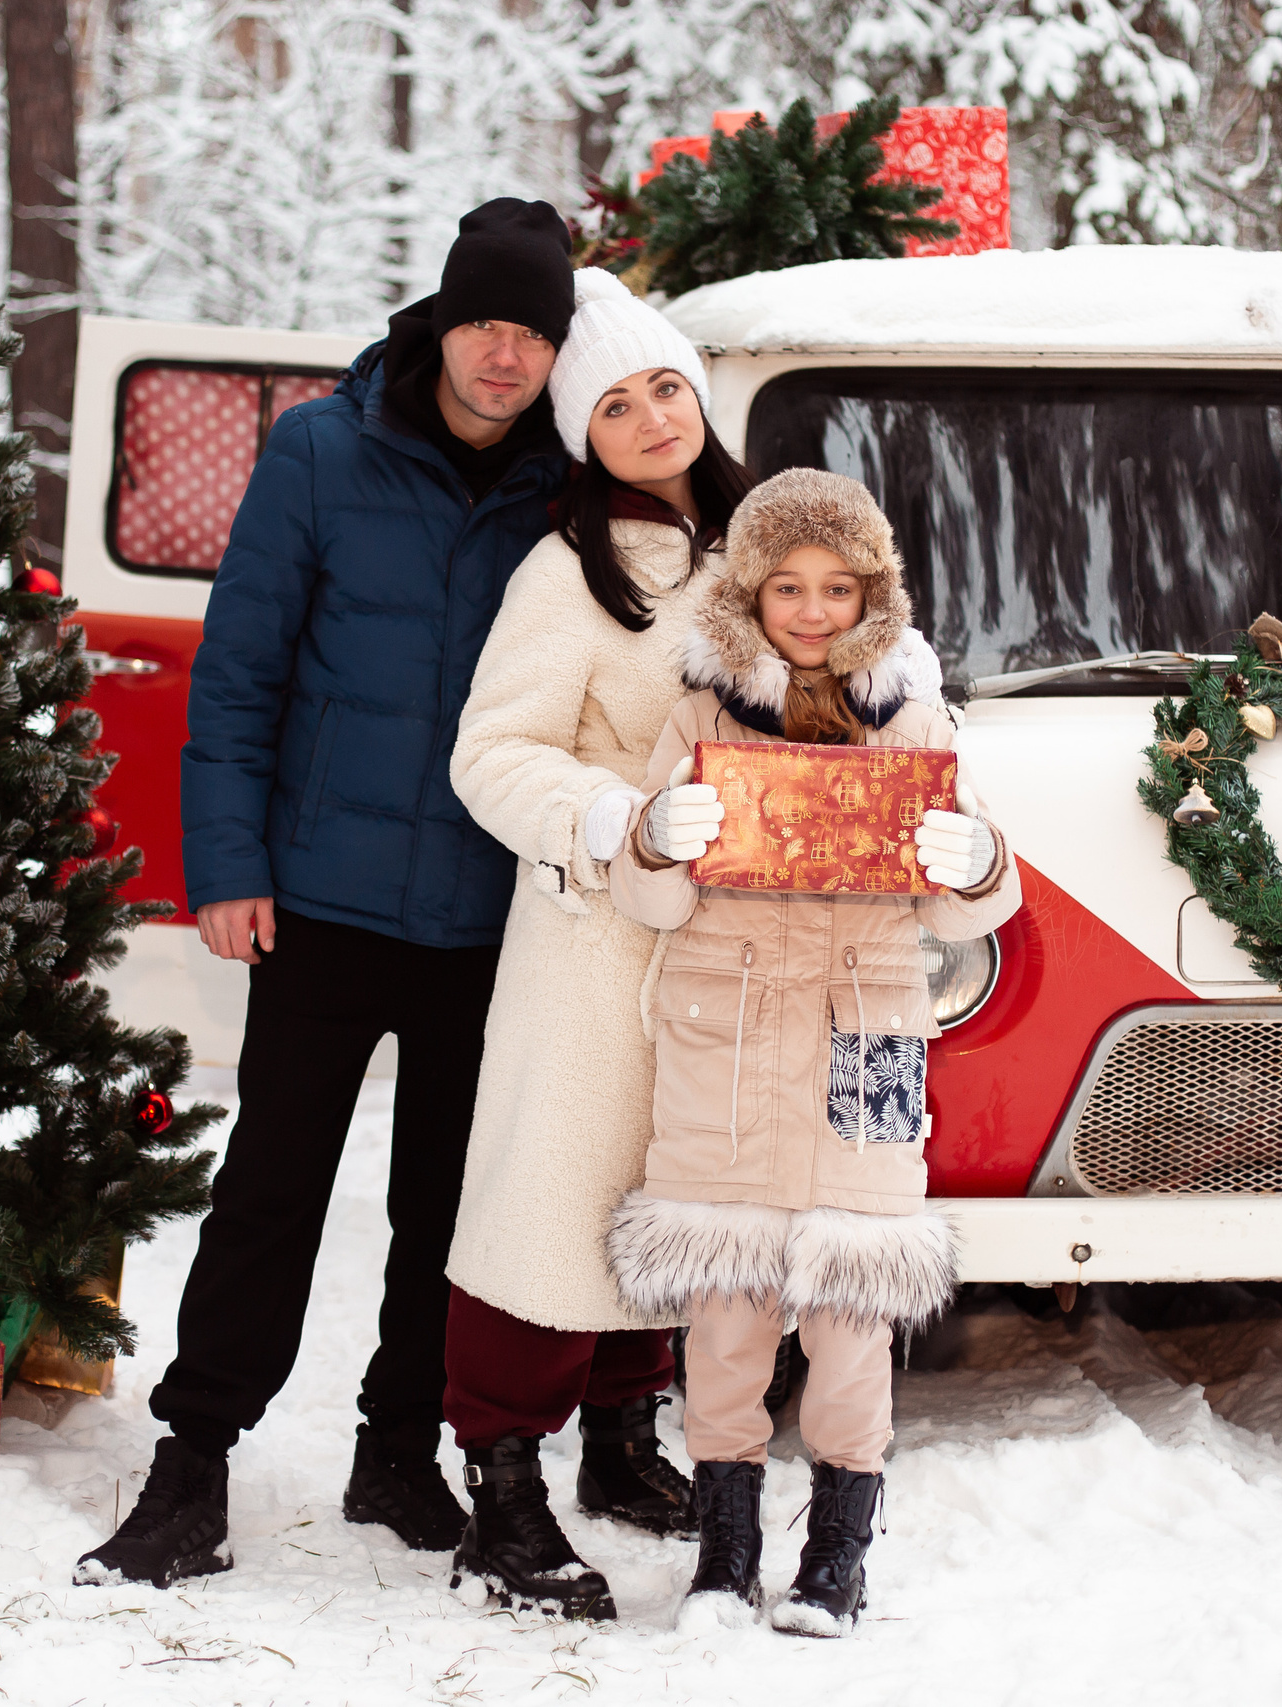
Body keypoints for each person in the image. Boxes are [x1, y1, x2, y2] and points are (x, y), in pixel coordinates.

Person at [75, 199, 577, 1589]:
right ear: (443, 320)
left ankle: (397, 1448)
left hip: (488, 916)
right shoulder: (319, 450)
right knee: (271, 1193)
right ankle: (191, 1467)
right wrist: (226, 869)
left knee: (446, 1208)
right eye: (486, 322)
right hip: (321, 904)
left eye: (532, 333)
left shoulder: (566, 485)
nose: (503, 355)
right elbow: (236, 676)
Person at [603, 468, 1017, 1636]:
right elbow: (651, 901)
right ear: (749, 591)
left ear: (871, 594)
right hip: (721, 1036)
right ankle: (723, 1556)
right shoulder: (696, 715)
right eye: (786, 584)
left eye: (837, 586)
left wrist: (969, 856)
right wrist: (656, 836)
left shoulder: (920, 720)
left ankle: (837, 1557)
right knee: (725, 1322)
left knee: (850, 1317)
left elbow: (973, 911)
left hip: (865, 1035)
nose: (812, 609)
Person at [440, 269, 758, 1618]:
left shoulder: (765, 547)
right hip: (590, 946)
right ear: (583, 435)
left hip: (736, 949)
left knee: (665, 1196)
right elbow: (491, 754)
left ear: (700, 392)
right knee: (549, 1204)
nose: (650, 418)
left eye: (664, 387)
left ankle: (624, 1440)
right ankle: (503, 1489)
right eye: (614, 403)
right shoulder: (565, 573)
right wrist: (620, 818)